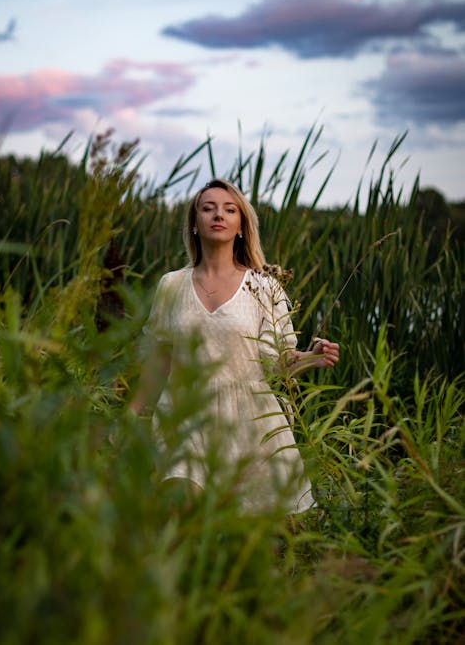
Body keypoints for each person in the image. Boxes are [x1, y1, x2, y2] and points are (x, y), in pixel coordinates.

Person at [130, 178, 339, 514]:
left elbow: (277, 364)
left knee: (247, 540)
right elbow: (159, 362)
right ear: (194, 223)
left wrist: (311, 359)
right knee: (182, 510)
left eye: (229, 209)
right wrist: (128, 417)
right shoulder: (171, 285)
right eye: (208, 208)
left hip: (249, 422)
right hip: (184, 415)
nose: (218, 215)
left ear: (241, 226)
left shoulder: (263, 286)